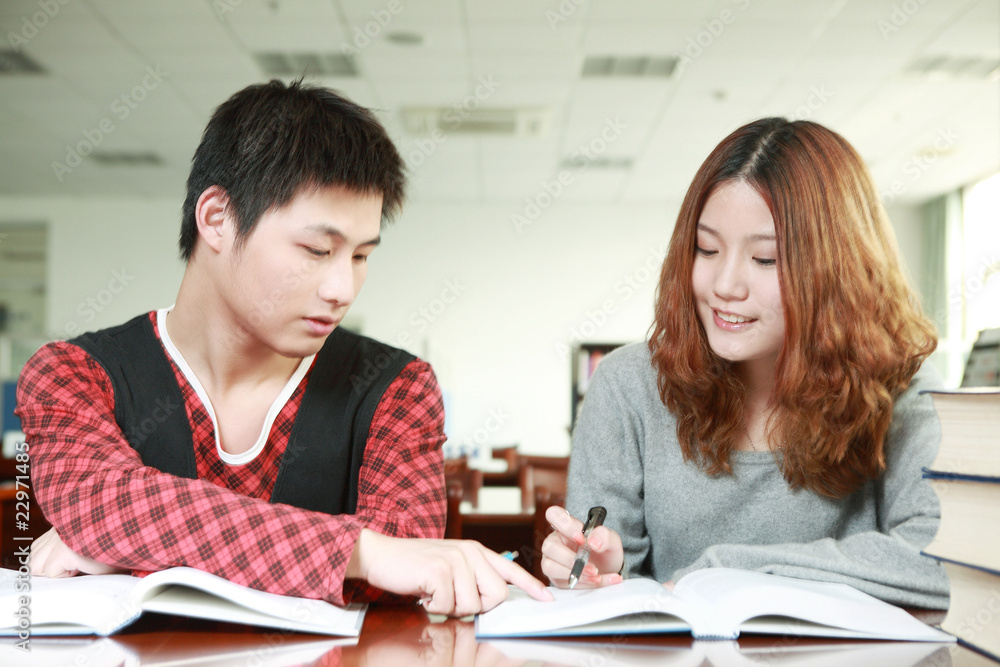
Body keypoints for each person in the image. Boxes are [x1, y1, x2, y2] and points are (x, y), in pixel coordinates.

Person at [18, 79, 550, 617]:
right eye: (317, 249)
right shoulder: (72, 374)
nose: (341, 288)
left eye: (361, 256)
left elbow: (408, 567)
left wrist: (127, 547)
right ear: (217, 220)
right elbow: (104, 505)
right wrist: (361, 551)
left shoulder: (397, 387)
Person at [540, 117, 949, 609]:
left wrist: (731, 571)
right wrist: (599, 573)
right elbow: (595, 583)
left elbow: (943, 561)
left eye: (766, 260)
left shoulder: (902, 387)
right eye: (706, 249)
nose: (725, 285)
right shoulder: (628, 386)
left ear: (836, 269)